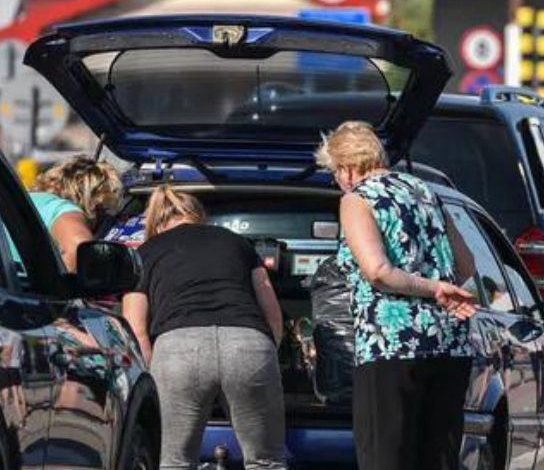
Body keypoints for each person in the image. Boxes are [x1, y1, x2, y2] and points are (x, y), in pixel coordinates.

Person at [315, 120, 477, 470]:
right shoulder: (425, 191)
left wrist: (430, 288)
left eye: (334, 173)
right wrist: (439, 285)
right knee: (438, 459)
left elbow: (377, 271)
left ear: (346, 168)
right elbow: (465, 264)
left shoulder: (357, 199)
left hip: (390, 344)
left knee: (385, 457)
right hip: (449, 342)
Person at [121, 186, 287, 470]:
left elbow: (135, 327)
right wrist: (270, 351)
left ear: (156, 223)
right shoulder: (237, 242)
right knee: (267, 462)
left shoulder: (145, 252)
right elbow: (271, 309)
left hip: (178, 349)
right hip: (248, 343)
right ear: (200, 216)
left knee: (174, 462)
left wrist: (152, 375)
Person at [29, 156, 123, 271]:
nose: (101, 219)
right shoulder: (62, 208)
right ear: (91, 199)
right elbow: (79, 248)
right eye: (102, 210)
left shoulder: (25, 200)